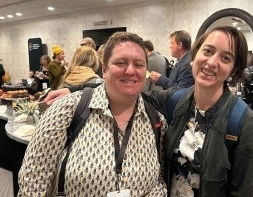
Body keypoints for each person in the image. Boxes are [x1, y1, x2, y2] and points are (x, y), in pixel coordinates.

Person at [43, 26, 253, 196]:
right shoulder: (177, 101)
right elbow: (129, 87)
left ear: (234, 68)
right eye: (208, 51)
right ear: (196, 54)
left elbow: (241, 191)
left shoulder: (243, 121)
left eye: (226, 58)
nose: (212, 62)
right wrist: (76, 89)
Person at [18, 32, 167, 196]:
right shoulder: (66, 111)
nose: (131, 70)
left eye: (138, 64)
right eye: (121, 62)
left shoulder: (155, 120)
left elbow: (158, 180)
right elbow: (33, 184)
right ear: (104, 69)